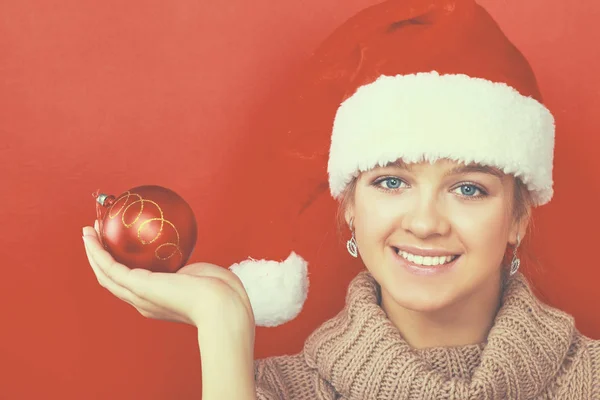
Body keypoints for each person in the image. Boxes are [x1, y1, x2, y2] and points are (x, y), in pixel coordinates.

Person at [82, 0, 599, 398]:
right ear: (350, 206)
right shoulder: (262, 388)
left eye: (468, 188)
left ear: (519, 217)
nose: (424, 223)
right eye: (391, 182)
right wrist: (221, 324)